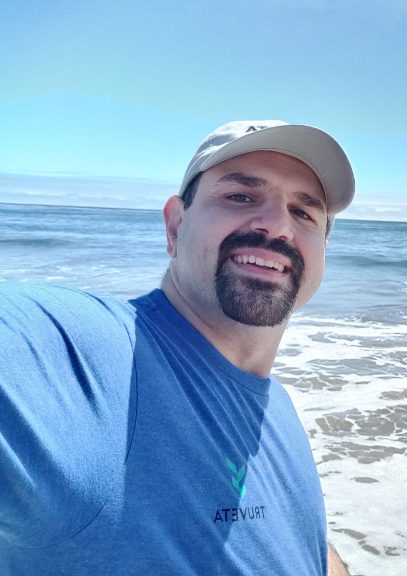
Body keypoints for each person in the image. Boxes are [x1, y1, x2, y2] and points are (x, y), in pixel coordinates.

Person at [0, 120, 354, 575]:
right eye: (241, 196)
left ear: (323, 248)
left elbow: (303, 542)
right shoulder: (87, 360)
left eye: (304, 212)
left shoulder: (276, 405)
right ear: (175, 225)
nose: (277, 226)